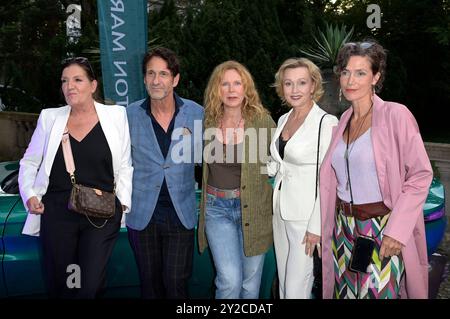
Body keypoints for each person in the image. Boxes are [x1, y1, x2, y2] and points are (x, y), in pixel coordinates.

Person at [319, 40, 433, 299]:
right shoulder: (343, 121)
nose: (350, 79)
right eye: (346, 71)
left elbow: (420, 175)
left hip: (382, 228)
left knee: (378, 293)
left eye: (360, 73)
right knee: (345, 294)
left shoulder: (395, 115)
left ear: (376, 77)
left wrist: (397, 230)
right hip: (344, 228)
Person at [18, 57, 133, 298]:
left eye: (77, 80)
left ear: (93, 85)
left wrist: (122, 203)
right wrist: (29, 195)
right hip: (59, 214)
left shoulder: (116, 116)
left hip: (101, 213)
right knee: (66, 285)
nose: (70, 86)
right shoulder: (50, 118)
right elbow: (29, 162)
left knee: (89, 286)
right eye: (65, 81)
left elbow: (124, 163)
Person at [126, 47, 204, 299]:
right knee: (149, 286)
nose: (156, 80)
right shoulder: (128, 115)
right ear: (144, 78)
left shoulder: (196, 114)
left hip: (179, 214)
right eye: (151, 74)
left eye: (163, 74)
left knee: (176, 284)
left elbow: (211, 158)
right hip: (142, 215)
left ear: (175, 79)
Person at [198, 60, 275, 299]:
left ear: (246, 88)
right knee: (230, 281)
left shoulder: (262, 121)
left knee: (250, 285)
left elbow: (282, 160)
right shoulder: (207, 121)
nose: (231, 90)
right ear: (216, 90)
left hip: (253, 210)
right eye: (225, 84)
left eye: (237, 83)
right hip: (216, 209)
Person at [267, 58, 338, 299]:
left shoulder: (325, 123)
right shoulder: (284, 119)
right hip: (280, 212)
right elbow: (279, 163)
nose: (294, 90)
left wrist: (316, 226)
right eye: (288, 83)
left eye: (301, 83)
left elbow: (328, 179)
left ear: (313, 85)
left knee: (297, 288)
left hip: (306, 219)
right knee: (286, 284)